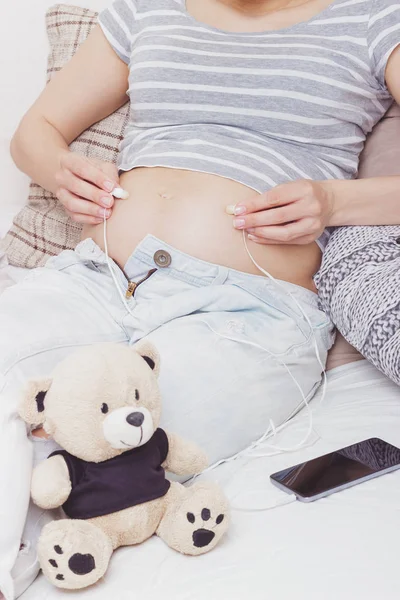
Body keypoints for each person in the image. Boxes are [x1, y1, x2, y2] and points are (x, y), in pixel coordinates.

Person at [1, 0, 400, 597]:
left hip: (248, 313)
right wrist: (60, 169)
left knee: (111, 444)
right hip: (98, 278)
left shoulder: (374, 18)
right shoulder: (146, 9)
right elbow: (35, 133)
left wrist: (336, 203)